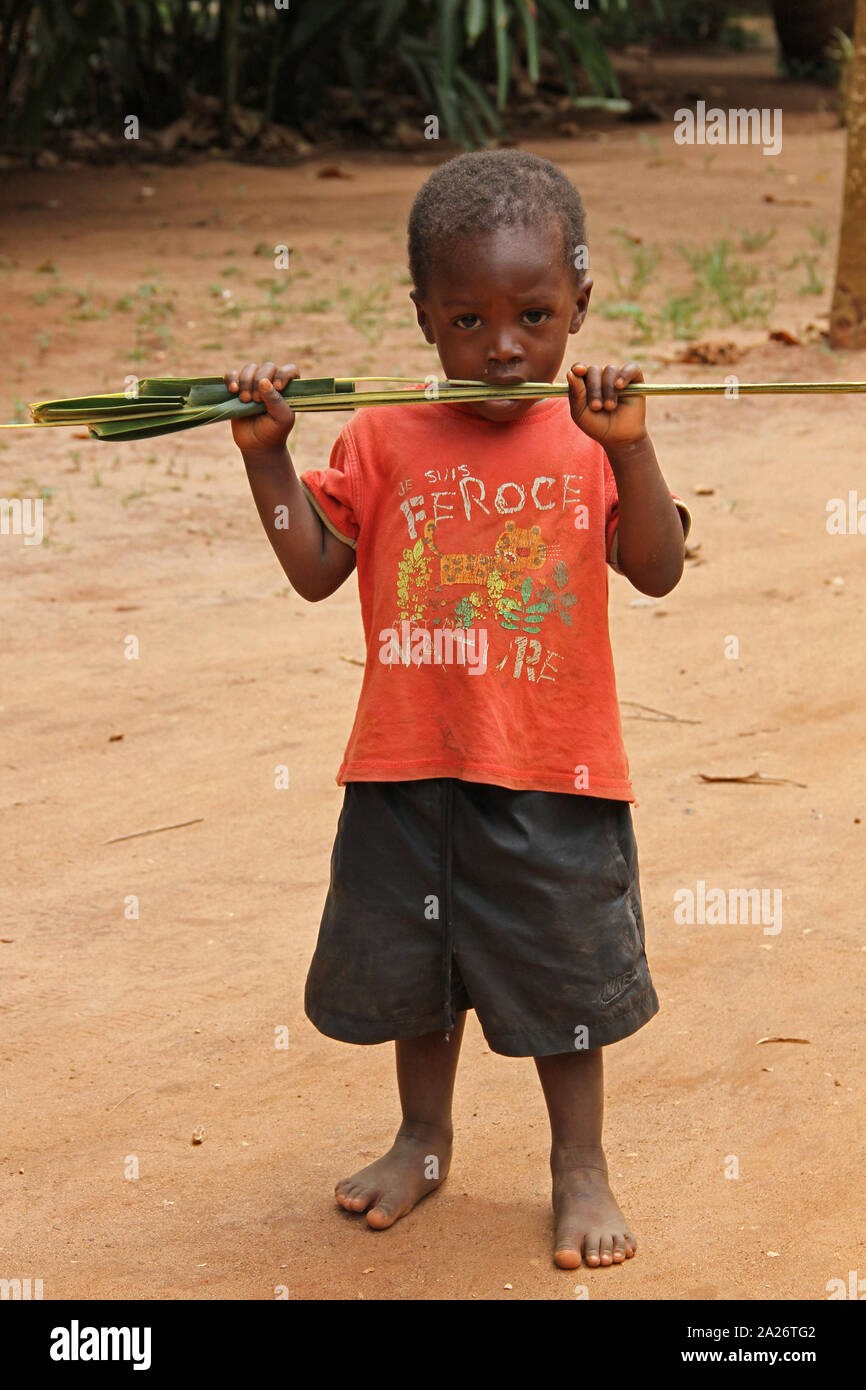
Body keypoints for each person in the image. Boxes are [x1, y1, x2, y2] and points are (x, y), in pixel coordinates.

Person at [225, 150, 690, 1270]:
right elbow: (314, 569)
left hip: (553, 773)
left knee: (562, 978)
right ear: (423, 315)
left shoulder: (594, 434)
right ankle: (422, 1140)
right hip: (405, 765)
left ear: (578, 304)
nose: (502, 347)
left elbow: (658, 566)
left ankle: (578, 1164)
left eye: (533, 314)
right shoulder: (381, 434)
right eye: (466, 319)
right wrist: (268, 465)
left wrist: (631, 449)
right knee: (414, 976)